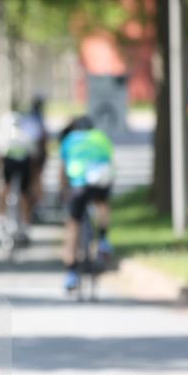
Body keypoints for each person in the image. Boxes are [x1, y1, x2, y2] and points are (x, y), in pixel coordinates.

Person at [59, 116, 115, 292]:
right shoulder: (101, 137)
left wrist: (63, 191)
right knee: (102, 204)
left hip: (79, 184)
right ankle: (104, 240)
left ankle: (71, 273)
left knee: (73, 224)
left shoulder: (69, 139)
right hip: (100, 180)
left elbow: (62, 170)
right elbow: (110, 162)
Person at [0, 111, 37, 239]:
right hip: (24, 165)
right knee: (24, 193)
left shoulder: (2, 136)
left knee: (4, 187)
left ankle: (0, 216)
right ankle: (26, 222)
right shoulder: (26, 135)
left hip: (9, 164)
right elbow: (33, 157)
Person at [27, 95, 49, 218]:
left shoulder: (31, 118)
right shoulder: (38, 119)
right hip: (36, 154)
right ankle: (38, 204)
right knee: (36, 180)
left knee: (33, 181)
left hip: (32, 154)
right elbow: (43, 137)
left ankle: (36, 204)